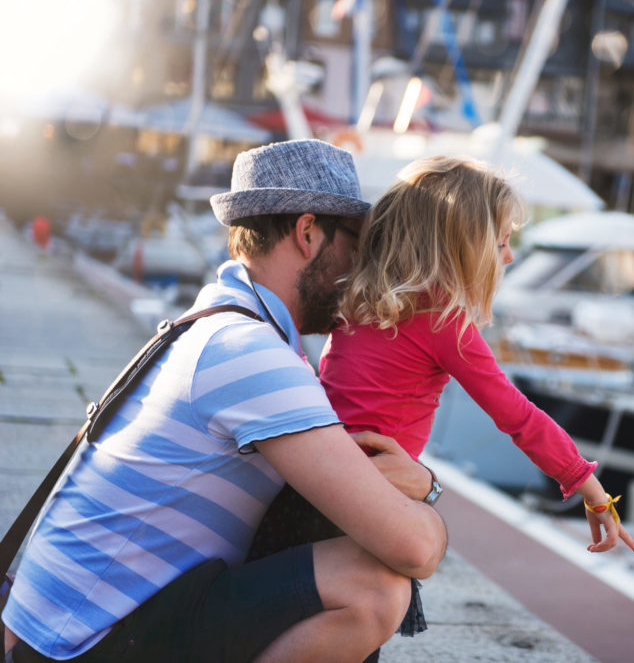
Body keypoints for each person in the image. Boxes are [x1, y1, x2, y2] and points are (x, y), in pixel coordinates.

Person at [2, 140, 447, 663]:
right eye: (357, 243)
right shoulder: (249, 354)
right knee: (375, 589)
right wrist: (430, 493)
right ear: (308, 234)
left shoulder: (217, 324)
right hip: (80, 644)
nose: (363, 267)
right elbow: (413, 549)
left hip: (67, 628)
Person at [320, 156, 634, 554]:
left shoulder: (358, 300)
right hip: (371, 495)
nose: (508, 257)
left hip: (322, 478)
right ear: (460, 248)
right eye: (501, 242)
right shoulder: (440, 323)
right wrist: (592, 490)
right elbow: (518, 417)